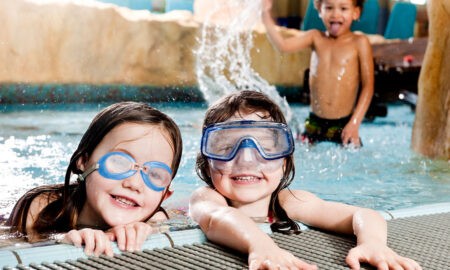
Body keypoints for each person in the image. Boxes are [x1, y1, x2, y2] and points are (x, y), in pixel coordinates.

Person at [190, 90, 421, 269]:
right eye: (227, 147)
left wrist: (373, 243)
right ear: (207, 161)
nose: (246, 159)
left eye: (265, 147)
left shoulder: (288, 201)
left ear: (285, 161)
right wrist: (261, 245)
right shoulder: (206, 198)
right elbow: (218, 219)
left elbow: (362, 214)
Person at [7, 101, 183, 256]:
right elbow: (11, 250)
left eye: (155, 174)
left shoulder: (155, 218)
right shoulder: (43, 207)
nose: (134, 184)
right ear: (83, 161)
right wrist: (59, 239)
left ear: (166, 194)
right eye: (119, 162)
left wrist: (148, 230)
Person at [262, 0, 374, 146]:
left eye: (343, 8)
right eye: (329, 8)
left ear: (355, 12)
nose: (335, 14)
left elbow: (368, 86)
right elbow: (283, 46)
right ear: (319, 9)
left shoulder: (359, 42)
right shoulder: (316, 37)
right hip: (314, 123)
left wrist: (354, 123)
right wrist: (265, 15)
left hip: (344, 125)